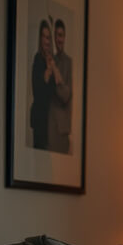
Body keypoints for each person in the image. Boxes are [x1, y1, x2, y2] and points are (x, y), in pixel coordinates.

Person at [29, 19, 55, 150]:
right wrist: (48, 71)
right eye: (44, 37)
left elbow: (54, 91)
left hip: (50, 120)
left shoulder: (51, 60)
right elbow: (37, 90)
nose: (47, 41)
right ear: (40, 38)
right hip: (40, 118)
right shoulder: (38, 59)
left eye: (49, 37)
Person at [48, 19, 72, 154]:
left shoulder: (69, 63)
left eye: (61, 35)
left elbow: (66, 95)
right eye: (56, 35)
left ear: (65, 37)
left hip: (62, 131)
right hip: (50, 128)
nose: (59, 39)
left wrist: (56, 73)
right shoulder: (50, 60)